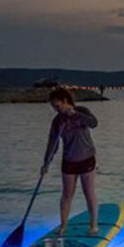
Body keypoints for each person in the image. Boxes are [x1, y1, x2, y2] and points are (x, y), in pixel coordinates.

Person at [41, 87, 99, 236]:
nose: (56, 109)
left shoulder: (82, 111)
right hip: (69, 161)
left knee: (89, 192)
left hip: (87, 158)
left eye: (57, 106)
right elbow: (52, 143)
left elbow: (94, 123)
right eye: (53, 107)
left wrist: (76, 115)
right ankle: (63, 226)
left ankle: (93, 226)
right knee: (67, 194)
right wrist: (46, 162)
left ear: (65, 101)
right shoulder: (58, 121)